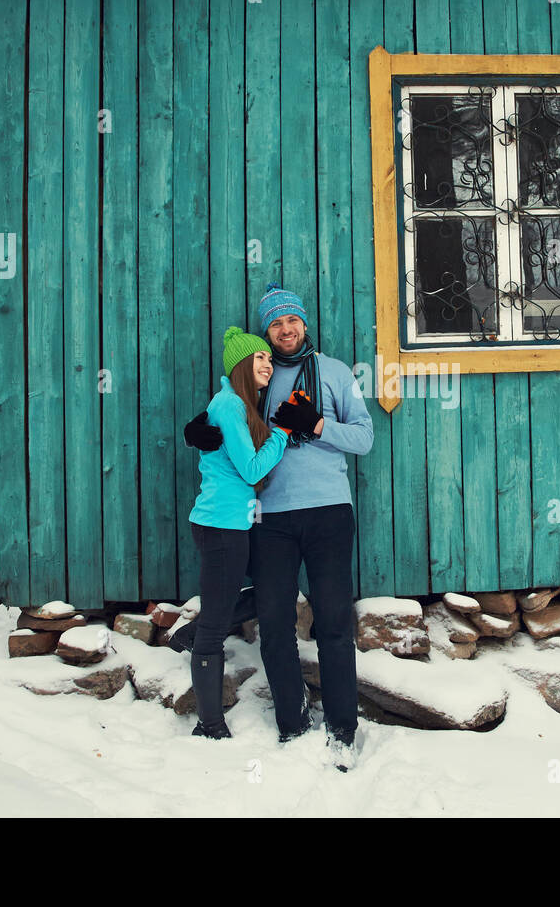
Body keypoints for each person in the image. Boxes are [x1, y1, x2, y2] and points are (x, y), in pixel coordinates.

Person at [184, 282, 373, 771]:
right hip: (268, 518)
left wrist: (317, 425)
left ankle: (342, 726)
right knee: (274, 623)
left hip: (330, 512)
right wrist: (199, 430)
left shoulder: (334, 372)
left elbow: (365, 438)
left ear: (304, 324)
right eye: (275, 324)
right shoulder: (259, 380)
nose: (286, 330)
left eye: (292, 321)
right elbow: (231, 413)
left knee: (333, 622)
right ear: (266, 334)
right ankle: (292, 722)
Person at [183, 326, 290, 740]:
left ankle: (192, 632)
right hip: (221, 525)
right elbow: (251, 469)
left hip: (233, 523)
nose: (267, 363)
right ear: (243, 365)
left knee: (268, 592)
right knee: (215, 626)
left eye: (269, 358)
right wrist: (281, 435)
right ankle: (209, 724)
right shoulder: (229, 405)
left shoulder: (237, 406)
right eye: (259, 358)